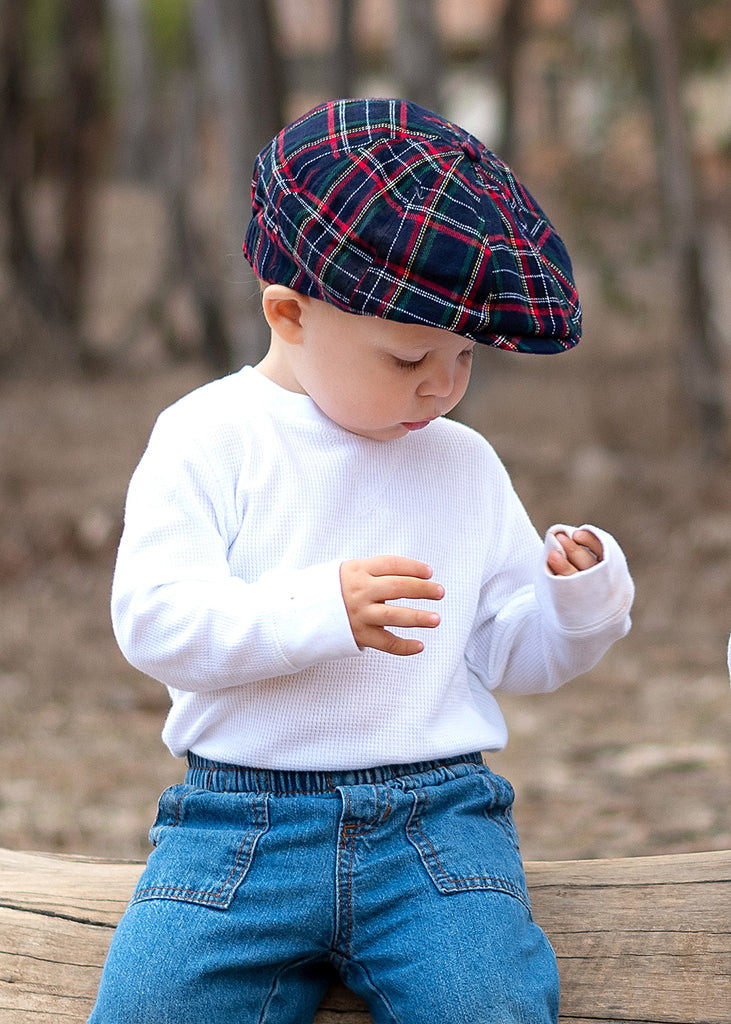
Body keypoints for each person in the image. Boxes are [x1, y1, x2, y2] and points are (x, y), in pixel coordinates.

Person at [88, 98, 634, 1024]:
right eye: (410, 354)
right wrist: (316, 612)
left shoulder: (459, 462)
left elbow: (506, 652)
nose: (443, 385)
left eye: (464, 356)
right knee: (151, 1003)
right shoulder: (208, 439)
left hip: (435, 824)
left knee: (489, 1001)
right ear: (288, 312)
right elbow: (155, 620)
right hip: (237, 824)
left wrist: (578, 600)